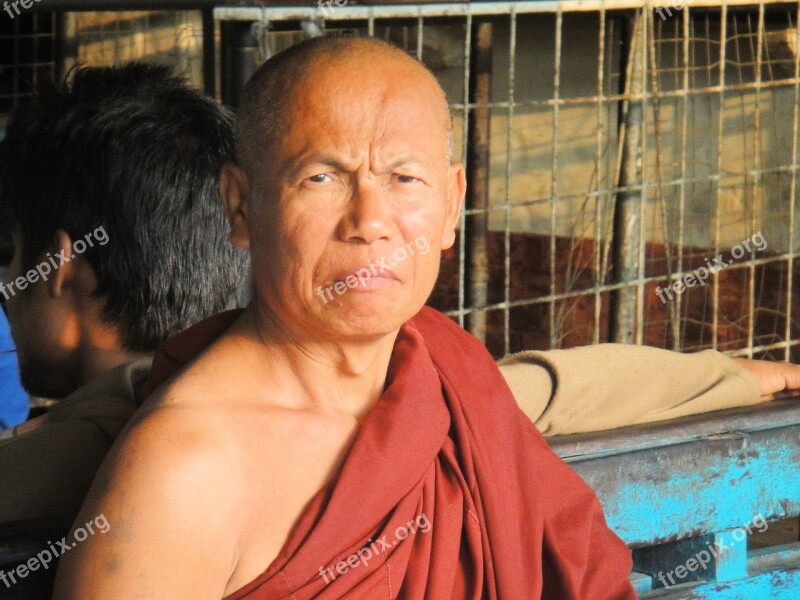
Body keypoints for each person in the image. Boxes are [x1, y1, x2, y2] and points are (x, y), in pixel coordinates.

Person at [55, 37, 800, 599]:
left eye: (402, 178)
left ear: (450, 205)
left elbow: (565, 389)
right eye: (322, 176)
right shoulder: (184, 470)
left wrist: (738, 375)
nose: (370, 220)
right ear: (240, 205)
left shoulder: (446, 374)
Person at [0, 63, 249, 524]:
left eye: (12, 253)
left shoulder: (30, 479)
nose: (7, 290)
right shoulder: (296, 434)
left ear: (61, 267)